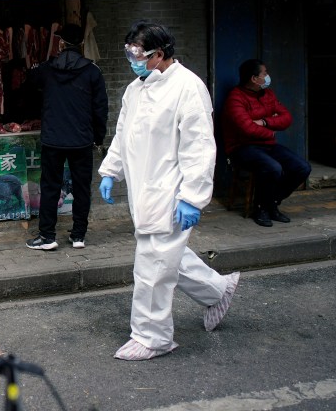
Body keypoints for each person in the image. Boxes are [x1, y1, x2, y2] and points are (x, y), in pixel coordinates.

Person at [97, 21, 240, 361]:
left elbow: (200, 147)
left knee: (153, 266)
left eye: (137, 54)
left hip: (170, 191)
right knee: (164, 255)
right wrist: (109, 170)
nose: (131, 60)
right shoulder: (135, 88)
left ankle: (152, 336)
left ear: (159, 54)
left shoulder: (188, 87)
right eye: (128, 52)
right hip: (144, 189)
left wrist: (192, 196)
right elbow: (123, 133)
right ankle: (218, 289)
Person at [25, 23, 108, 251]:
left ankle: (47, 236)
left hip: (53, 140)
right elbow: (101, 109)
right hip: (82, 140)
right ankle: (79, 235)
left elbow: (29, 80)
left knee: (50, 187)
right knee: (82, 187)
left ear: (60, 43)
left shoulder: (48, 70)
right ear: (81, 44)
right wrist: (98, 138)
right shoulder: (92, 72)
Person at [221, 59, 311, 227]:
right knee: (273, 167)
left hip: (267, 145)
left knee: (302, 167)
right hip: (242, 147)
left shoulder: (268, 95)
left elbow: (287, 118)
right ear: (254, 79)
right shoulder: (235, 98)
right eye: (265, 74)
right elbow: (246, 129)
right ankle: (261, 208)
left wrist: (263, 122)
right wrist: (271, 129)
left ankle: (272, 202)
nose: (268, 77)